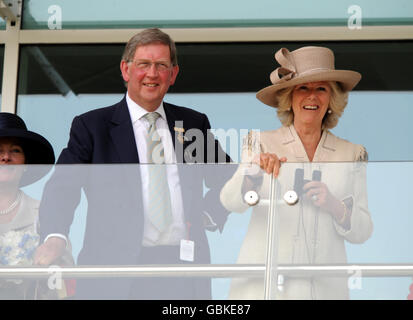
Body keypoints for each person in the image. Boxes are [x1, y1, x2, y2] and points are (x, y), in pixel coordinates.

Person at [34, 28, 231, 299]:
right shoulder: (92, 127)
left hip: (182, 271)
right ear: (126, 70)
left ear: (172, 74)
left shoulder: (191, 124)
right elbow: (62, 188)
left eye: (161, 65)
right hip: (113, 272)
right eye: (143, 64)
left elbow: (227, 178)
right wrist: (55, 236)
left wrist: (208, 214)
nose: (152, 74)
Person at [220, 46, 373, 299]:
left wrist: (334, 205)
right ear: (289, 97)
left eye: (321, 89)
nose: (311, 97)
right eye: (303, 88)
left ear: (332, 98)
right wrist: (254, 173)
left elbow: (363, 230)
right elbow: (229, 201)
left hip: (324, 291)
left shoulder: (352, 153)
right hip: (265, 288)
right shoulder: (261, 143)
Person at [0, 112, 74, 299]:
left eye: (15, 150)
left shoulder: (46, 213)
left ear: (26, 164)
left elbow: (65, 275)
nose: (6, 157)